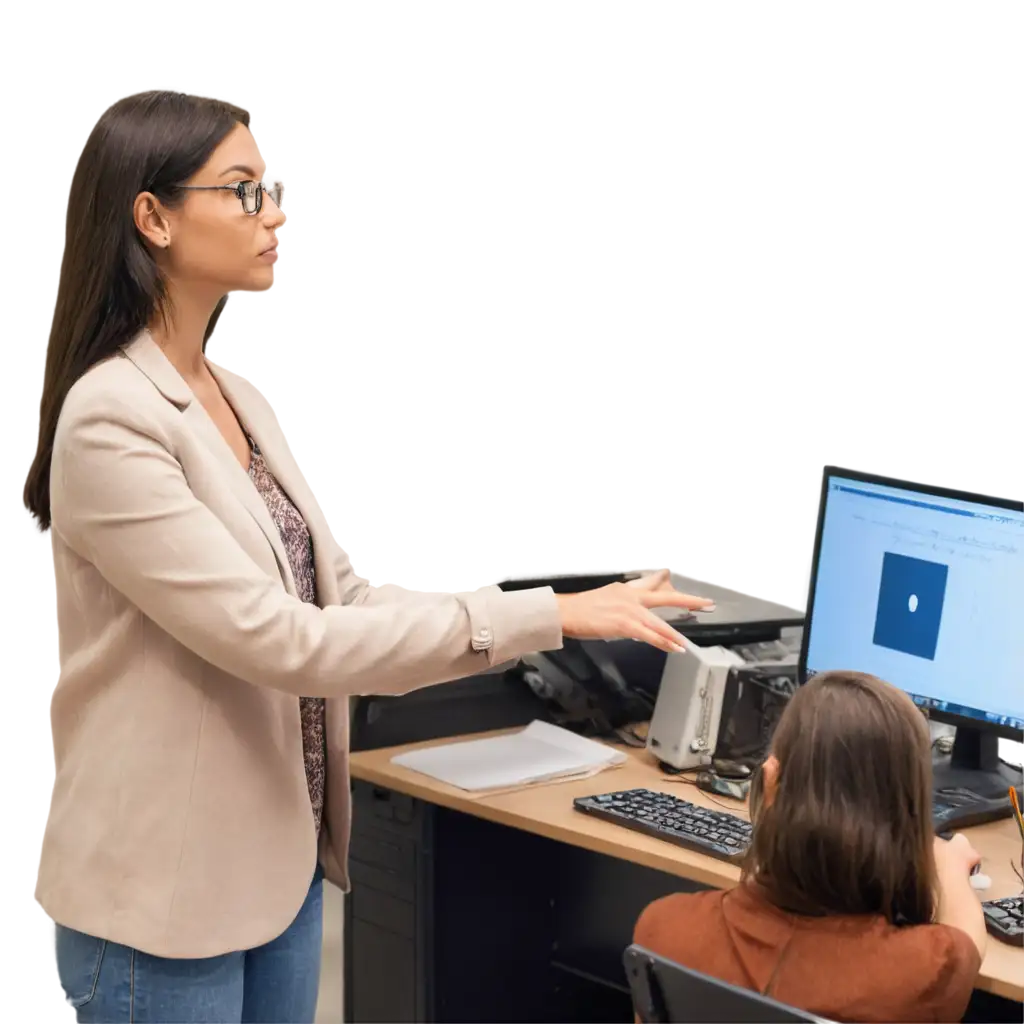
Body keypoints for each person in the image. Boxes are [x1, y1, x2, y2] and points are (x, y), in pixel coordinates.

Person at [24, 91, 715, 1024]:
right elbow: (283, 642)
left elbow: (340, 592)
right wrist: (547, 617)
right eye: (241, 191)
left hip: (278, 868)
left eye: (272, 188)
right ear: (152, 217)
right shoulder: (112, 418)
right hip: (163, 900)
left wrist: (552, 598)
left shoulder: (234, 392)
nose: (275, 214)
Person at [633, 670, 986, 1024]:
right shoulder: (925, 972)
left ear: (770, 783)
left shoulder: (660, 933)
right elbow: (967, 939)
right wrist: (950, 868)